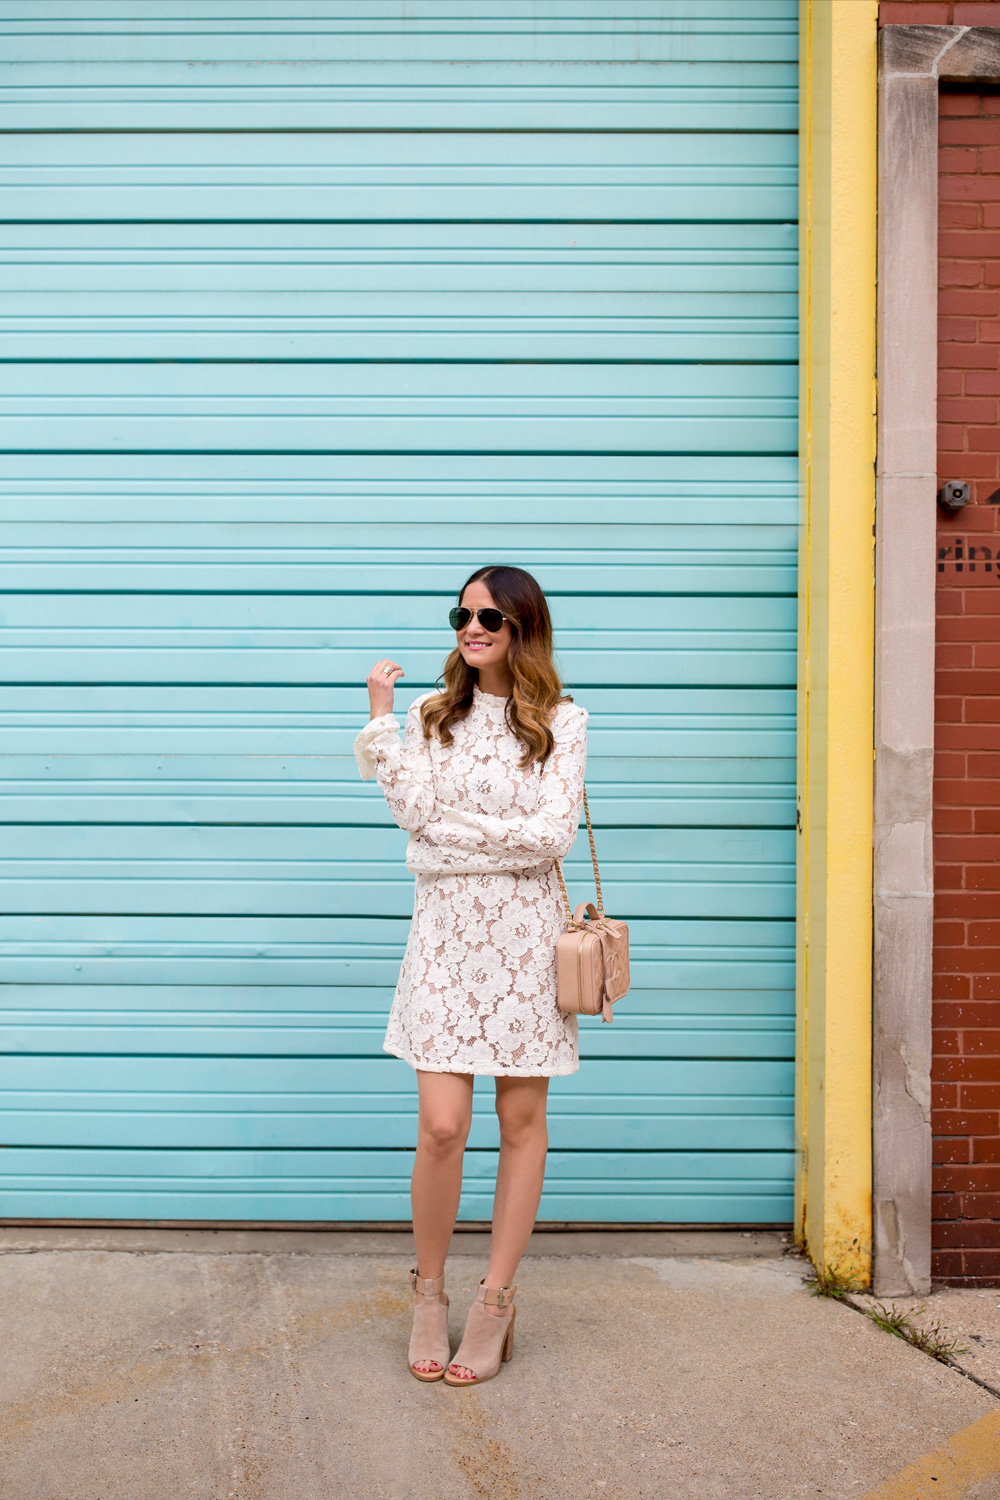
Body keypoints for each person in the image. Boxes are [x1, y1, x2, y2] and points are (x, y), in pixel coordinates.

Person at [354, 564, 588, 1387]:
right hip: (446, 942)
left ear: (525, 625)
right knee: (443, 1126)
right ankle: (429, 1294)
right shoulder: (428, 715)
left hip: (526, 947)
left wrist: (449, 839)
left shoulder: (563, 720)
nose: (471, 627)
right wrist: (383, 725)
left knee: (521, 1123)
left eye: (490, 615)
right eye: (462, 613)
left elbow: (552, 836)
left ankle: (494, 1302)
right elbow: (412, 818)